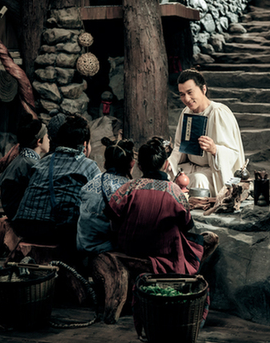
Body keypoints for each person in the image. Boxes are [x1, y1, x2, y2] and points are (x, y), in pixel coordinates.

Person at [105, 136, 203, 274]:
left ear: (139, 166)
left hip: (130, 248)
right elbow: (186, 224)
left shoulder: (129, 187)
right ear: (165, 164)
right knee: (196, 240)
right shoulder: (174, 191)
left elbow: (112, 217)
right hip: (163, 251)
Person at [12, 114, 101, 259]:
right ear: (84, 145)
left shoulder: (42, 162)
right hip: (59, 230)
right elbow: (99, 199)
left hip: (25, 226)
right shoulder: (89, 166)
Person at [168, 68, 246, 197]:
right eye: (182, 94)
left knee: (199, 179)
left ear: (203, 89)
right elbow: (179, 146)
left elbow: (234, 153)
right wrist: (170, 162)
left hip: (212, 170)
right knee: (167, 172)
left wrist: (215, 149)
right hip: (190, 165)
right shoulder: (186, 112)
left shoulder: (218, 112)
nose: (186, 99)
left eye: (190, 92)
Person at [76, 137, 135, 254]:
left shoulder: (92, 182)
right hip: (106, 248)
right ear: (132, 164)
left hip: (83, 245)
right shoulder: (127, 188)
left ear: (105, 163)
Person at [0, 117, 50, 220]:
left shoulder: (21, 160)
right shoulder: (31, 164)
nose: (49, 140)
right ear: (39, 141)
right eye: (47, 136)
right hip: (22, 217)